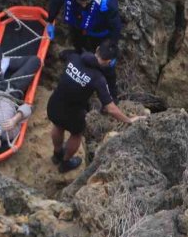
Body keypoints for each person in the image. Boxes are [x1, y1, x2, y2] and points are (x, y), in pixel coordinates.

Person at [46, 40, 141, 173]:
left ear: (96, 50)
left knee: (57, 125)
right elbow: (110, 108)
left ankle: (56, 155)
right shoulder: (98, 78)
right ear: (109, 62)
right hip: (73, 113)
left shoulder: (74, 57)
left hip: (54, 104)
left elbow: (62, 55)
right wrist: (129, 120)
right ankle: (65, 162)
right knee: (76, 134)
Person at [46, 0, 122, 99]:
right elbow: (56, 2)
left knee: (105, 62)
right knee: (78, 43)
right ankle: (77, 56)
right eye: (78, 2)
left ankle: (112, 95)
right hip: (78, 24)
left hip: (99, 31)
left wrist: (113, 47)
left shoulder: (107, 3)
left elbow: (116, 27)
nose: (81, 5)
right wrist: (50, 20)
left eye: (83, 3)